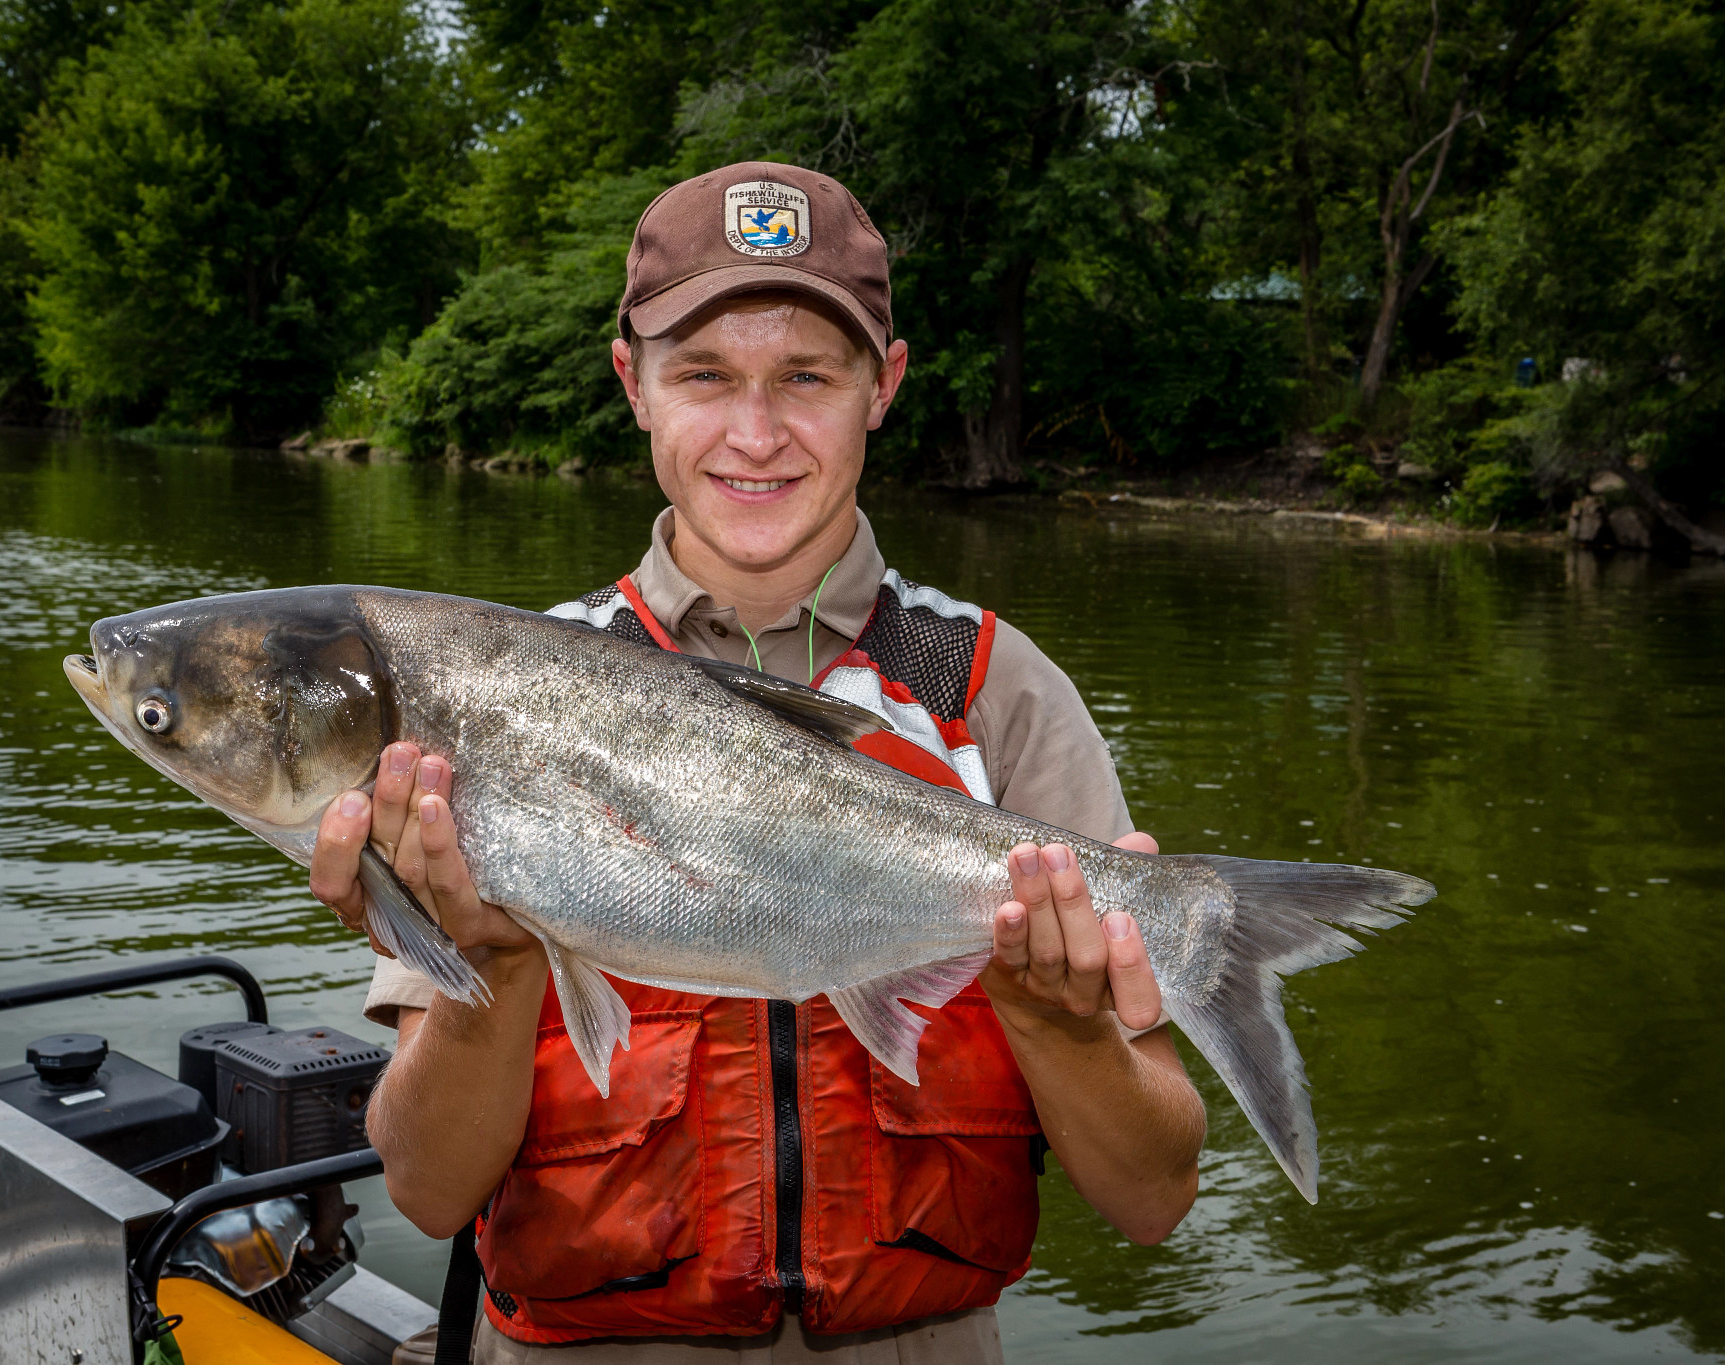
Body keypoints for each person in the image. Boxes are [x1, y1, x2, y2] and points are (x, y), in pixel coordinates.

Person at [308, 162, 1207, 1364]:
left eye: (806, 377)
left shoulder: (988, 689)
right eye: (703, 375)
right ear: (631, 383)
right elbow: (424, 1193)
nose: (755, 434)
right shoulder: (492, 702)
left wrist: (1061, 1028)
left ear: (879, 387)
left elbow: (1150, 1202)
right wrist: (485, 964)